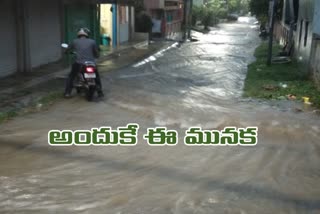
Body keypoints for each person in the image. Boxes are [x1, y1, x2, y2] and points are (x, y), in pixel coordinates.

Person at [64, 28, 104, 98]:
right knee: (96, 76)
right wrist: (96, 55)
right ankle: (100, 92)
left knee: (71, 76)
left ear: (79, 34)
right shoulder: (92, 42)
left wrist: (66, 52)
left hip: (79, 63)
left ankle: (67, 92)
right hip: (91, 63)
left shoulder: (75, 41)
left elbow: (68, 49)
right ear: (87, 35)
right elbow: (97, 54)